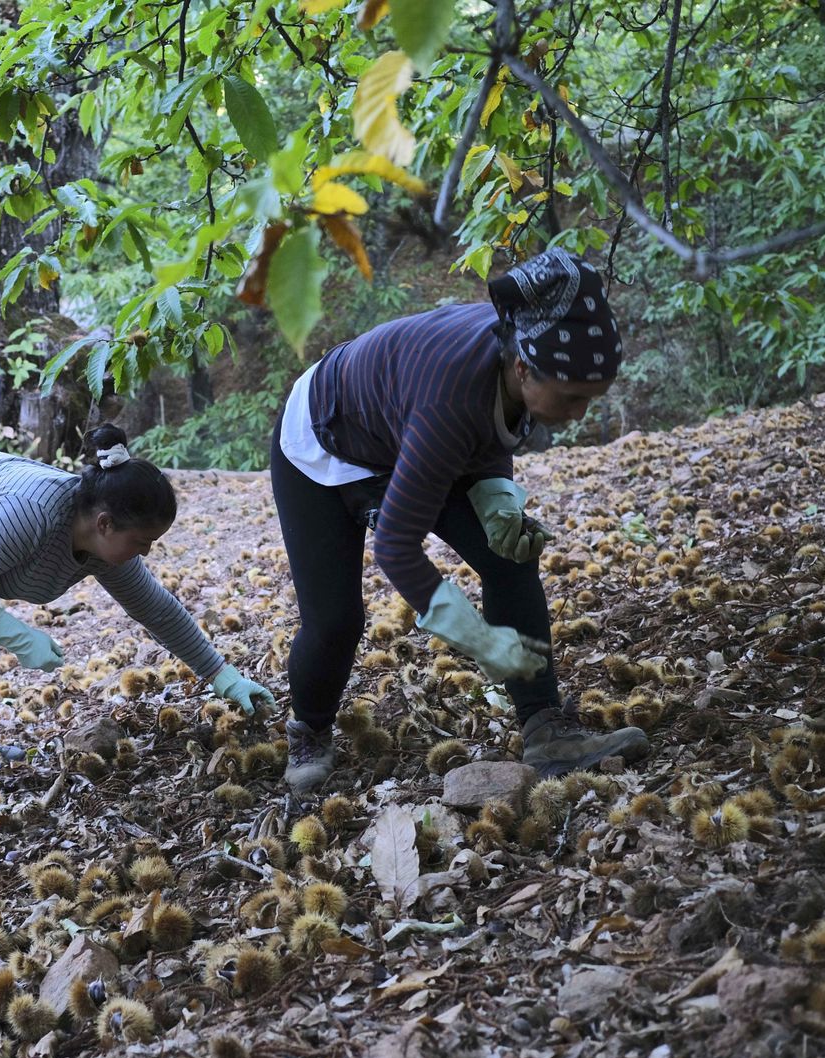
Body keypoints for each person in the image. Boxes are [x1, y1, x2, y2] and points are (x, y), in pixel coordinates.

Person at [269, 248, 652, 793]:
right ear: (523, 367)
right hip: (322, 440)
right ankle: (308, 728)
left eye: (591, 399)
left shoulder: (515, 356)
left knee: (510, 558)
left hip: (403, 426)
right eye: (571, 398)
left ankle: (546, 731)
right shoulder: (448, 404)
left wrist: (499, 505)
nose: (577, 415)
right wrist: (475, 636)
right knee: (335, 621)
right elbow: (397, 548)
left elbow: (491, 429)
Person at [0, 422, 275, 843]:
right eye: (141, 542)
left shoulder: (99, 540)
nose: (146, 552)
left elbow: (156, 608)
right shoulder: (31, 514)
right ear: (104, 524)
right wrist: (14, 634)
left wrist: (222, 676)